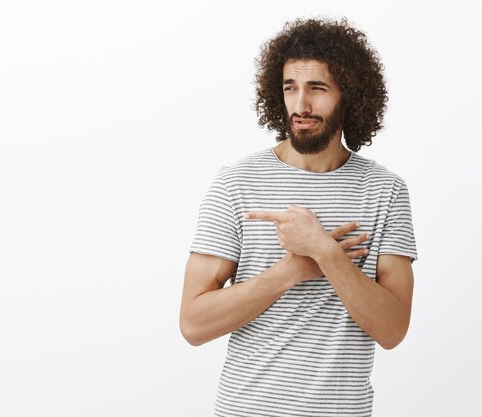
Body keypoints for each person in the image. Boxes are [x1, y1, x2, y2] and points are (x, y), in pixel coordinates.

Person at [179, 18, 418, 417]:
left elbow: (392, 330)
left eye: (317, 89)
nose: (301, 105)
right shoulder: (237, 183)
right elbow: (193, 323)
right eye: (291, 88)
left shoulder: (385, 191)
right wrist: (290, 271)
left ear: (351, 95)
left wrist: (327, 252)